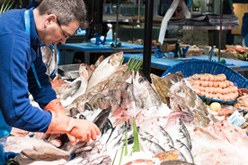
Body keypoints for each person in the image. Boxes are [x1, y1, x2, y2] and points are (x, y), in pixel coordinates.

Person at [0, 0, 100, 163]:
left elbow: (36, 76)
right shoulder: (13, 39)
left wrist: (56, 109)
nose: (63, 42)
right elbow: (17, 111)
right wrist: (70, 125)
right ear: (50, 20)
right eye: (65, 34)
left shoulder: (24, 25)